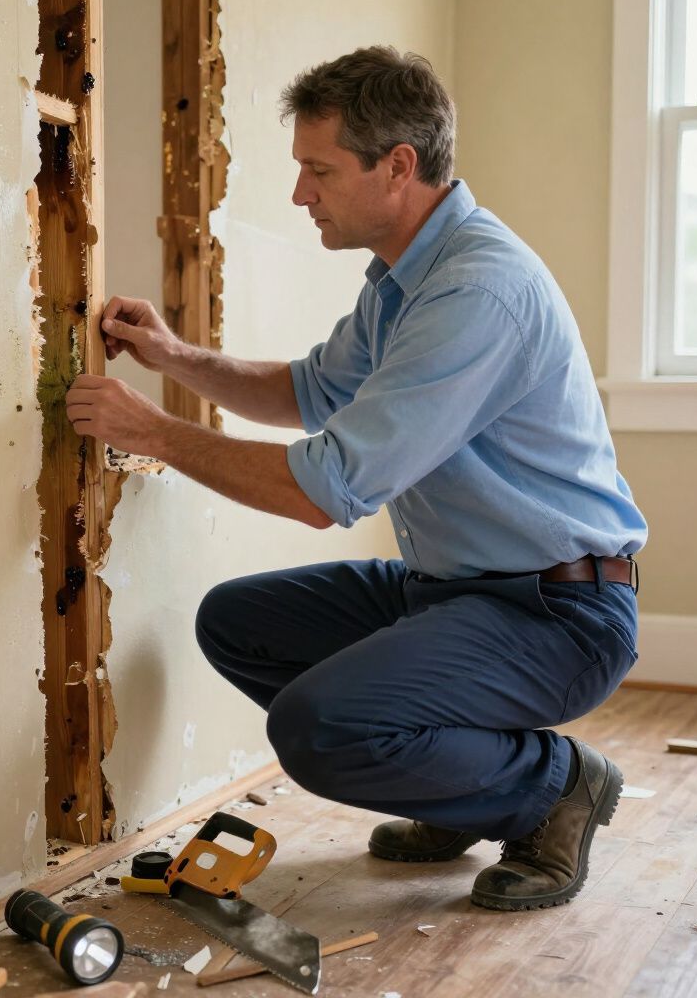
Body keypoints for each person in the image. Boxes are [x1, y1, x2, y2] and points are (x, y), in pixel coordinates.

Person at [65, 45, 647, 911]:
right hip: (457, 592)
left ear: (398, 167)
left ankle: (554, 789)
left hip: (559, 614)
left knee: (315, 725)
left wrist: (153, 431)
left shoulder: (476, 293)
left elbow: (321, 491)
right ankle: (462, 786)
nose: (302, 194)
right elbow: (307, 392)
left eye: (318, 170)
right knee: (240, 624)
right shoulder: (399, 283)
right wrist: (172, 356)